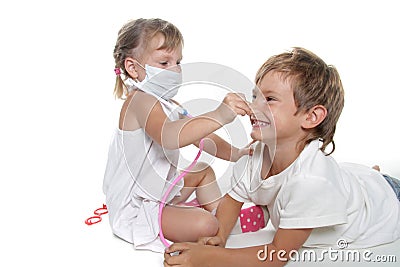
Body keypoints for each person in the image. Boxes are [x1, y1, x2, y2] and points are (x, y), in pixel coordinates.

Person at [164, 47, 400, 266]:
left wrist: (211, 257)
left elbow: (277, 255)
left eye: (269, 99)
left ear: (311, 117)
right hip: (350, 181)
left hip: (389, 203)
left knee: (360, 187)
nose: (253, 106)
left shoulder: (312, 181)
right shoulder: (257, 154)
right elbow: (234, 197)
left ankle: (376, 181)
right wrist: (221, 235)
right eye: (255, 96)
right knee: (352, 181)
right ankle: (370, 177)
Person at [103, 18, 267, 253]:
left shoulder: (169, 104)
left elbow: (202, 138)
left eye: (178, 62)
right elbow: (170, 136)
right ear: (133, 67)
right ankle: (214, 225)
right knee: (206, 225)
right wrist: (220, 114)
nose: (175, 69)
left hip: (161, 190)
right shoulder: (139, 101)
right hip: (137, 205)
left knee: (203, 169)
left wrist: (237, 153)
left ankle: (226, 218)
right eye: (164, 62)